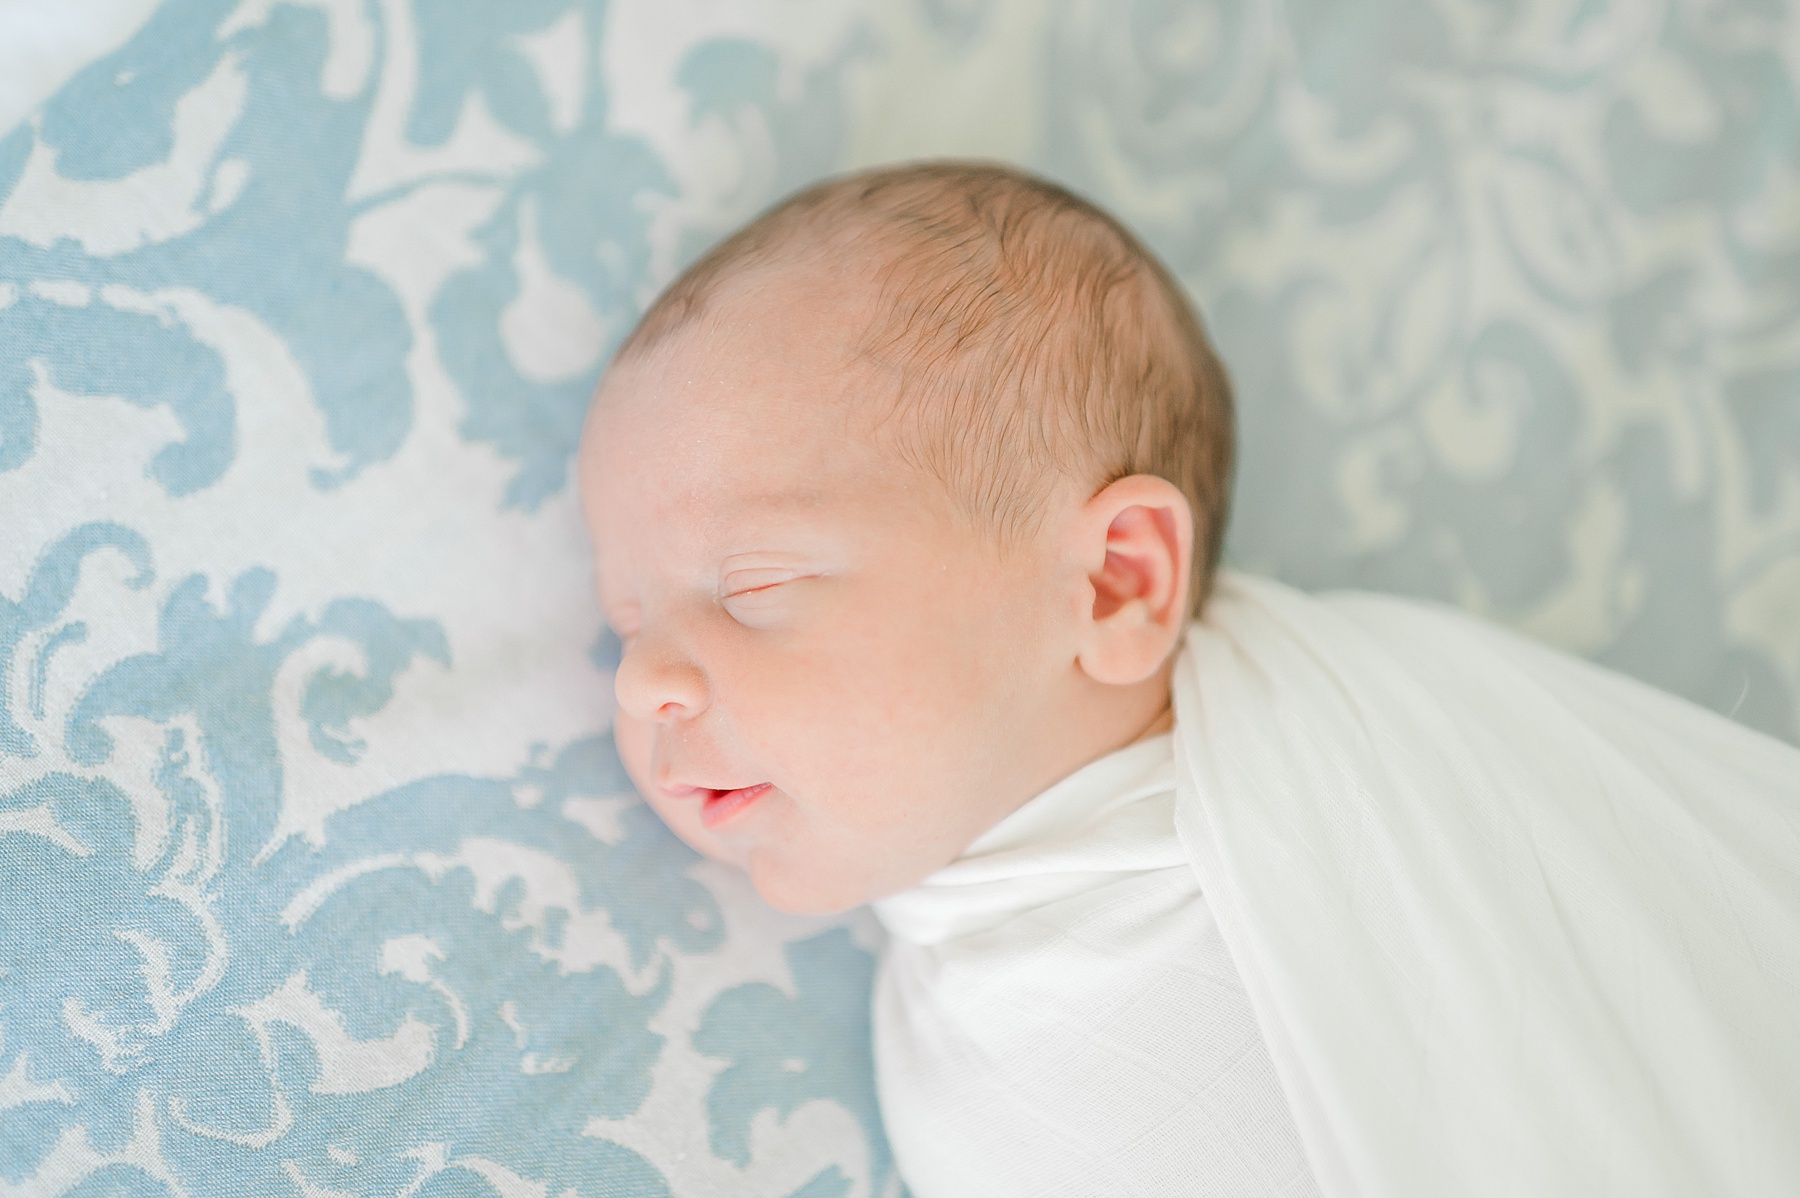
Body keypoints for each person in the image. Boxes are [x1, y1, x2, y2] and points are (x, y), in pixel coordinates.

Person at [577, 161, 1800, 1197]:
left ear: (1113, 586)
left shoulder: (1372, 751)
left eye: (755, 588)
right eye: (626, 618)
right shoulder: (962, 1020)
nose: (644, 682)